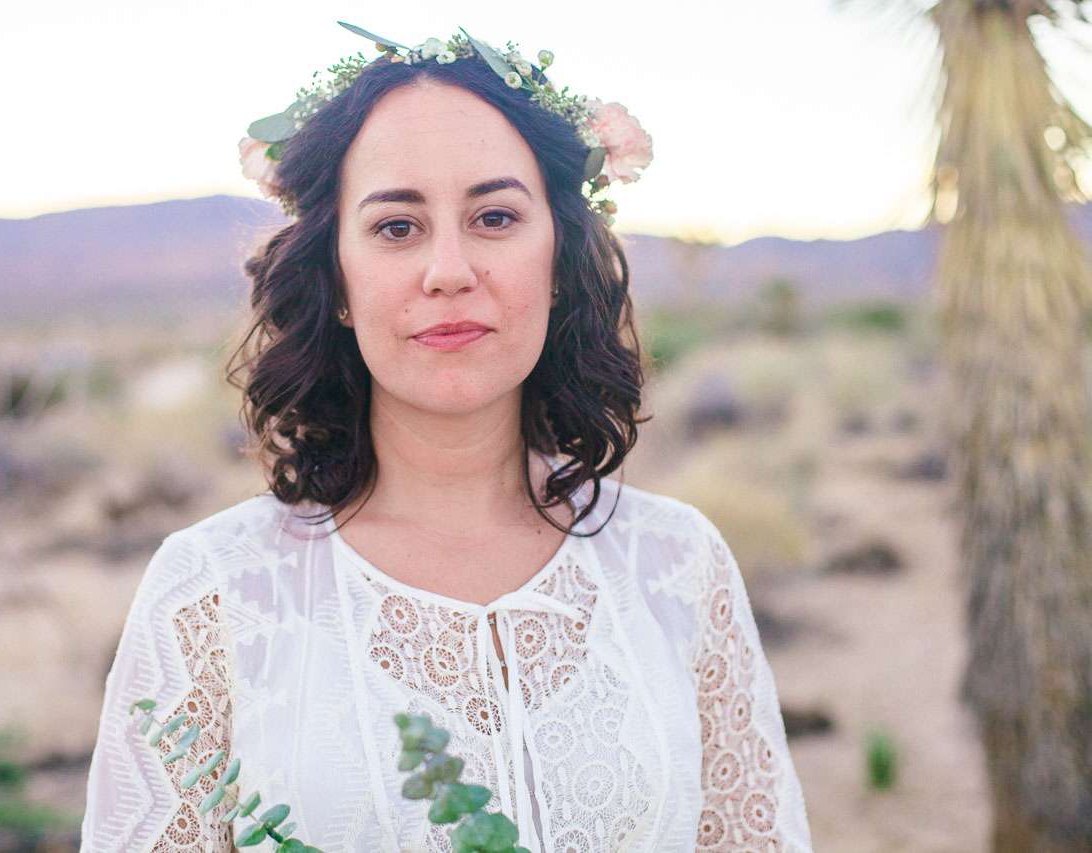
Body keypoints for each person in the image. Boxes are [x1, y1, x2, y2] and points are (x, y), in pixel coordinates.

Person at [80, 23, 812, 853]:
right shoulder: (212, 593)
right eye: (397, 227)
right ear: (337, 279)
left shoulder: (677, 564)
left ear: (559, 261)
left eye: (495, 216)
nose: (449, 270)